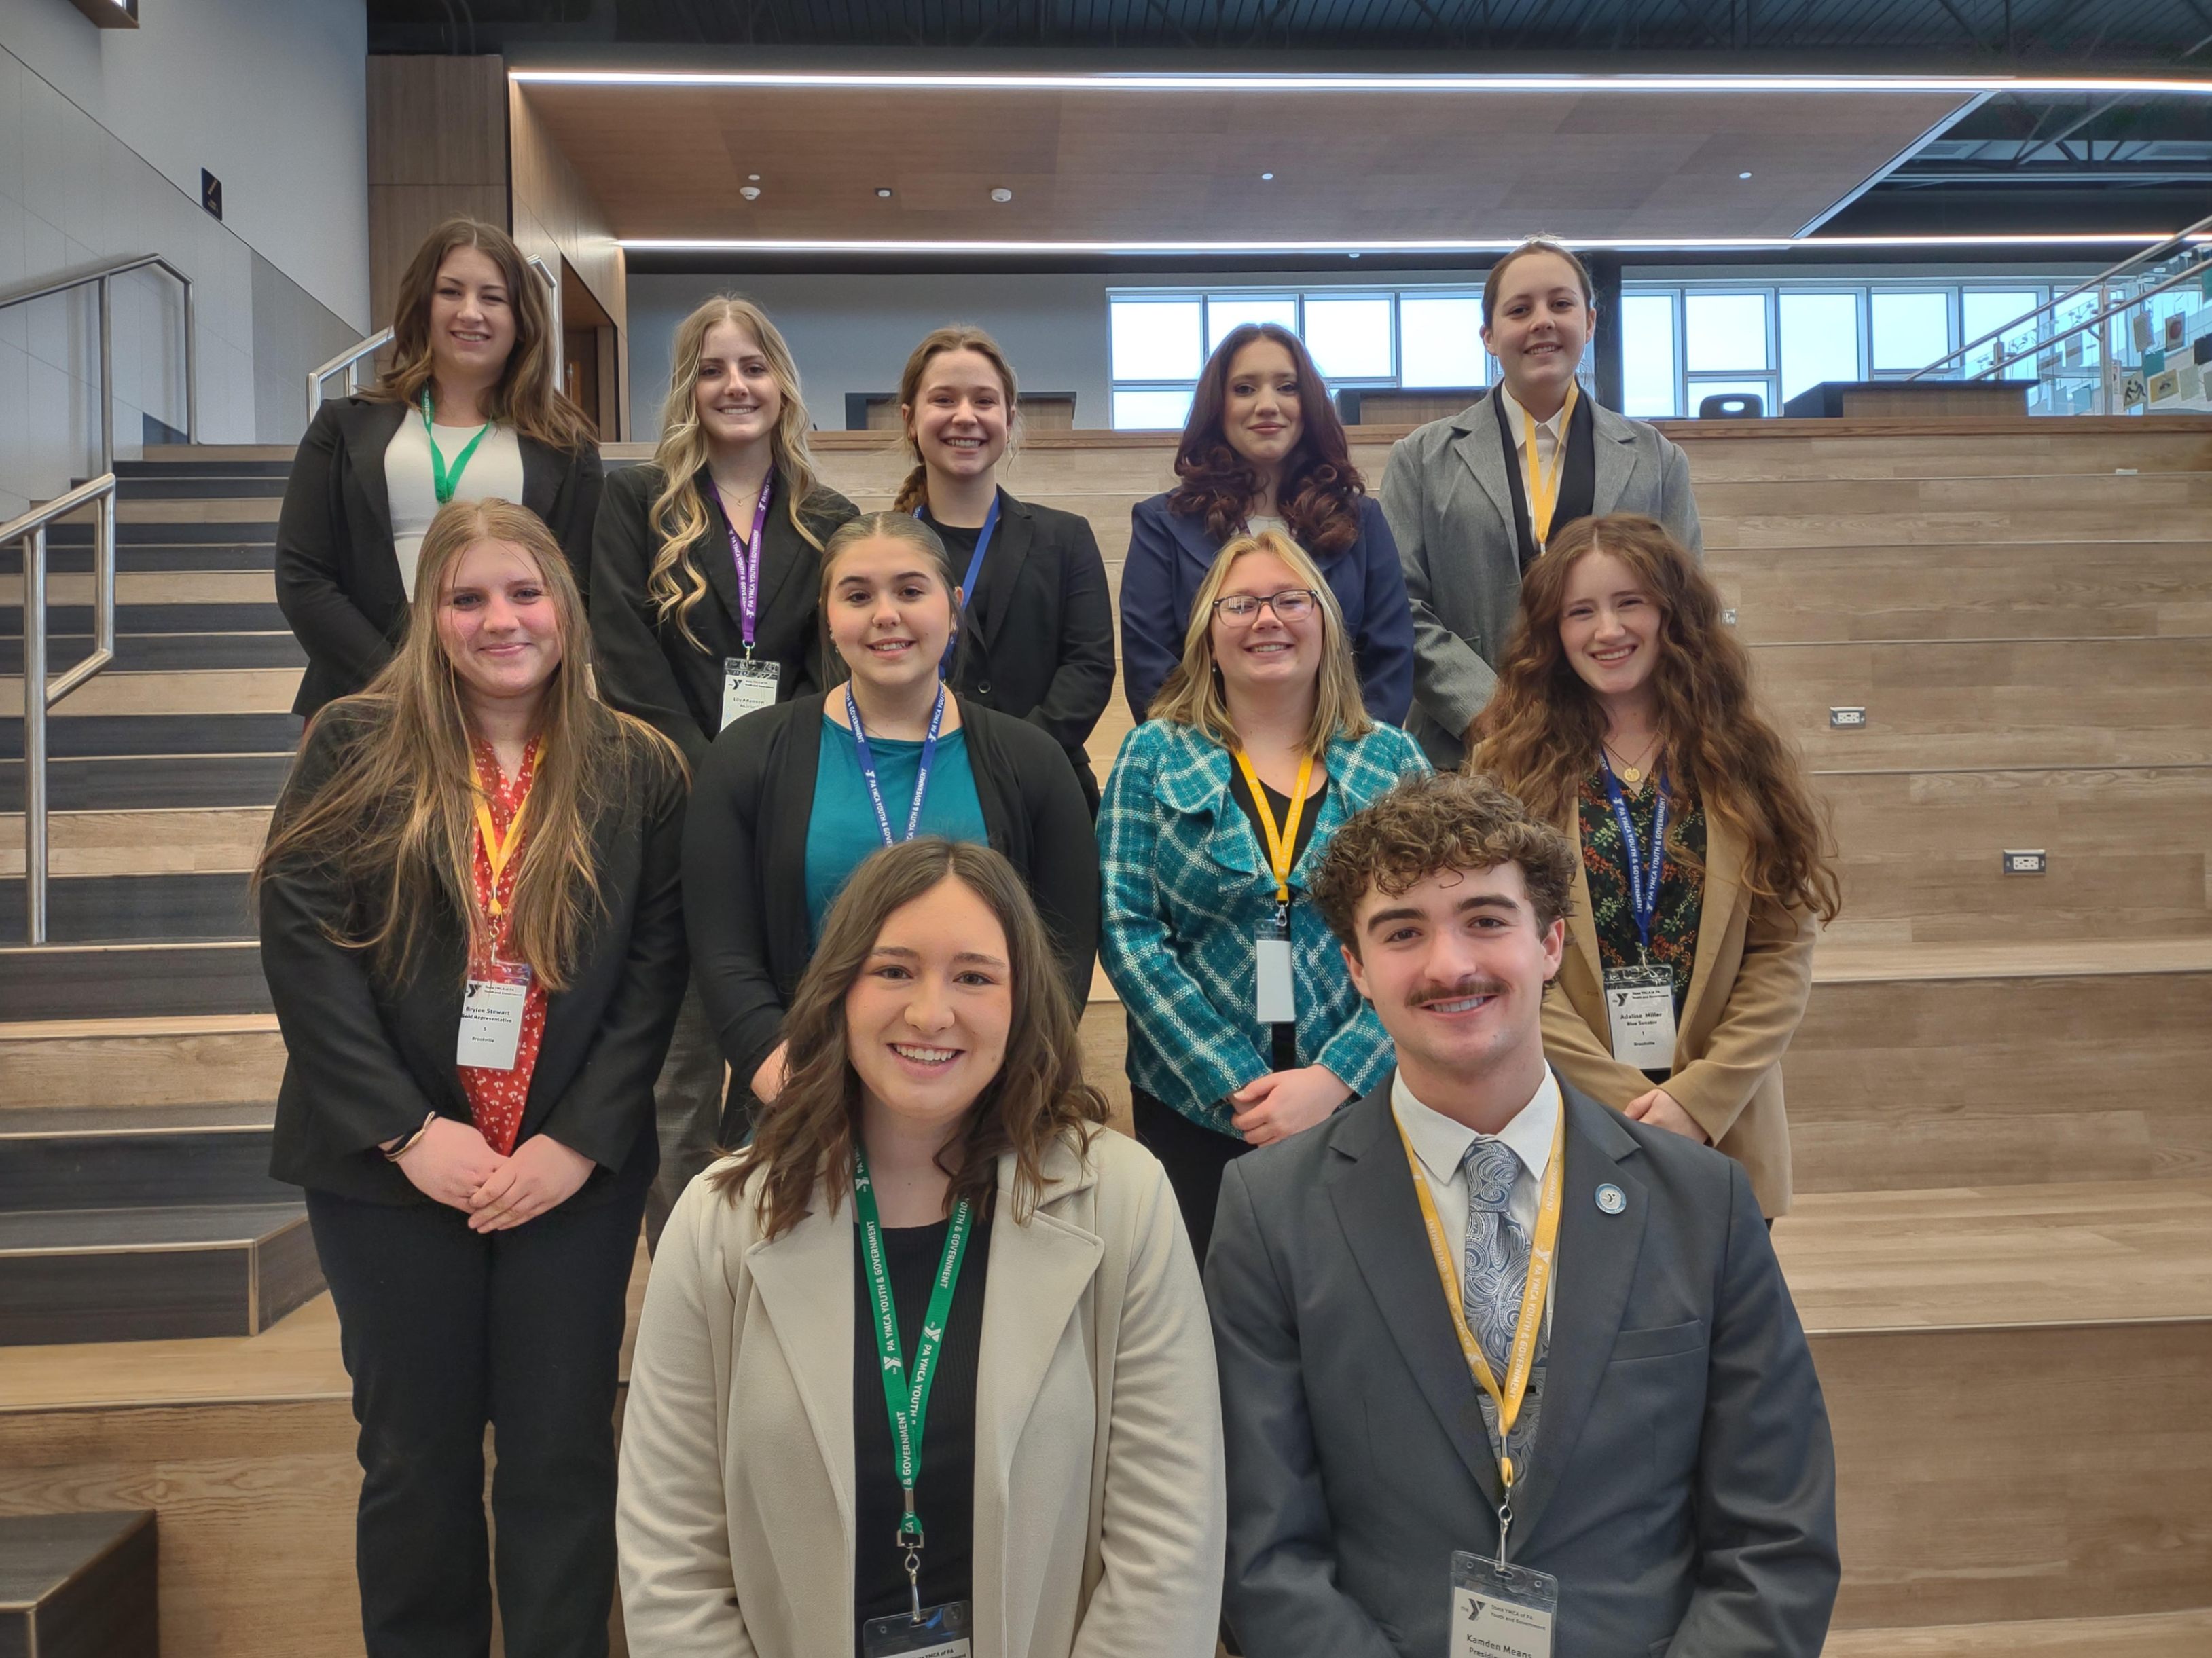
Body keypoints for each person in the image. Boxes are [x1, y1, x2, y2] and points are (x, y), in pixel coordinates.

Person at [1208, 772, 1839, 1657]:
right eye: (1401, 931)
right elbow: (1259, 1549)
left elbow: (1776, 1539)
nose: (1448, 963)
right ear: (1355, 966)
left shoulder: (1702, 1200)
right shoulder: (1268, 1210)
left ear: (1550, 942)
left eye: (1485, 920)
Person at [256, 498, 689, 1658]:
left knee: (561, 1452)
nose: (502, 619)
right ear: (430, 617)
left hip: (568, 1175)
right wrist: (407, 1132)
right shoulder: (355, 742)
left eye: (524, 592)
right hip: (389, 1173)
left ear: (567, 608)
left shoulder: (639, 765)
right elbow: (301, 940)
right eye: (468, 597)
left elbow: (656, 973)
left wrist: (578, 1144)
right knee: (415, 1456)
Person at [618, 837, 1225, 1656]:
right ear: (838, 990)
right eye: (894, 970)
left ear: (1022, 1004)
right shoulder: (718, 1219)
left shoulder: (1121, 1200)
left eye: (973, 976)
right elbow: (671, 1558)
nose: (931, 1013)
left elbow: (1167, 1542)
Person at [685, 511, 1099, 1139]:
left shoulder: (1032, 762)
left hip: (981, 1097)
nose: (885, 614)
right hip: (799, 1093)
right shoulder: (747, 754)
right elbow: (723, 948)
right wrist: (785, 1077)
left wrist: (1005, 1074)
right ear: (827, 615)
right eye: (857, 595)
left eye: (910, 591)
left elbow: (1062, 949)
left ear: (953, 607)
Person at [1470, 513, 1838, 1221]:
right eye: (1580, 611)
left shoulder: (1742, 757)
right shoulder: (1506, 769)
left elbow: (1780, 950)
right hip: (1567, 1117)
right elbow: (1503, 954)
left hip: (1719, 1129)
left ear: (1674, 614)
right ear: (1552, 633)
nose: (1606, 631)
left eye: (1629, 602)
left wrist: (1694, 1102)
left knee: (1717, 1332)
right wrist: (1620, 1102)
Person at [590, 294, 857, 1240]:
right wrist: (712, 787)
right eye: (712, 369)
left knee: (795, 1058)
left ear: (783, 385)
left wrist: (762, 793)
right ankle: (685, 1286)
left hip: (784, 816)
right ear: (687, 389)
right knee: (680, 1074)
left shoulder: (830, 516)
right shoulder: (632, 499)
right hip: (665, 812)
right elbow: (623, 659)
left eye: (753, 366)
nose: (734, 385)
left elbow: (835, 670)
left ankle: (794, 1260)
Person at [1098, 529, 1428, 1261]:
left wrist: (1336, 1078)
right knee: (1212, 1323)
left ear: (1325, 624)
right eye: (1238, 605)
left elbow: (1425, 939)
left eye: (1288, 600)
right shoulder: (1153, 753)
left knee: (1358, 1311)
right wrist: (1236, 1082)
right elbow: (1126, 929)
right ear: (1207, 638)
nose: (1266, 620)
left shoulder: (1391, 756)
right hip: (1194, 1105)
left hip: (1363, 1098)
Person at [1380, 237, 1704, 768]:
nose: (1542, 322)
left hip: (1622, 744)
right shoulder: (1420, 459)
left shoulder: (1656, 459)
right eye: (1519, 309)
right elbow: (1400, 606)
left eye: (1560, 304)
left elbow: (1683, 606)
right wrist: (1490, 711)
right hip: (1467, 750)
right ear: (1489, 336)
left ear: (1590, 322)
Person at [278, 218, 602, 719]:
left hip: (515, 703)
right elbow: (304, 577)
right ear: (422, 306)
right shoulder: (343, 427)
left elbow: (577, 586)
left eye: (492, 297)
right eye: (450, 292)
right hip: (365, 697)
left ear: (521, 319)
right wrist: (400, 685)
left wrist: (502, 684)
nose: (470, 312)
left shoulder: (566, 444)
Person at [1121, 323, 1414, 726]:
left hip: (1342, 763)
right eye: (1244, 389)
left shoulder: (1360, 521)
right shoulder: (1162, 525)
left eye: (1287, 387)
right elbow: (1151, 670)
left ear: (1308, 403)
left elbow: (1390, 660)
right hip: (1203, 765)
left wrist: (1348, 760)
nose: (1267, 405)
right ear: (1217, 406)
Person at [893, 324, 1116, 810]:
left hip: (1045, 785)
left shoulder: (1065, 537)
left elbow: (1089, 668)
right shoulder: (881, 547)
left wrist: (1014, 756)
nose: (965, 416)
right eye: (944, 400)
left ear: (1009, 417)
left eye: (984, 401)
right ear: (910, 419)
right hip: (910, 784)